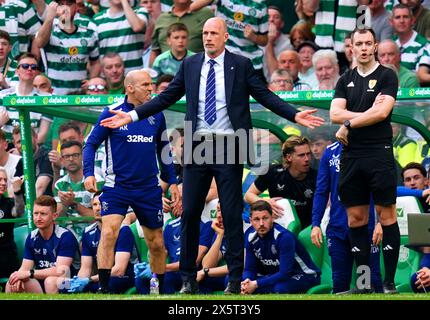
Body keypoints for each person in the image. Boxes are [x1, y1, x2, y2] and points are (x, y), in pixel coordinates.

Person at [100, 17, 324, 295]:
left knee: (230, 214)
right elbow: (166, 97)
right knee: (190, 212)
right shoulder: (191, 64)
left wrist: (294, 113)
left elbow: (265, 95)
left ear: (225, 36)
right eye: (205, 33)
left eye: (213, 33)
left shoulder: (240, 65)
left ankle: (233, 279)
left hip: (230, 145)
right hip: (197, 147)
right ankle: (187, 279)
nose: (207, 38)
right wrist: (131, 115)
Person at [83, 69, 179, 293]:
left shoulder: (156, 114)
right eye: (145, 84)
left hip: (148, 188)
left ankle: (158, 289)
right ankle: (104, 290)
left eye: (151, 84)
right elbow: (90, 144)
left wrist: (171, 181)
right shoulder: (112, 112)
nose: (150, 88)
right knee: (109, 232)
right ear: (130, 88)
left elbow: (164, 150)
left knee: (156, 242)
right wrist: (89, 173)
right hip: (117, 187)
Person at [330, 27, 400, 294]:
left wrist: (349, 122)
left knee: (386, 214)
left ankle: (389, 283)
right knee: (356, 218)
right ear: (351, 47)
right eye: (358, 43)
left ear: (375, 46)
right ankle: (362, 285)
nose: (362, 48)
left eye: (367, 43)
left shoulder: (386, 75)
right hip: (352, 154)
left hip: (378, 151)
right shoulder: (344, 78)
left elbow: (382, 114)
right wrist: (363, 114)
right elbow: (334, 114)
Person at [311, 141, 383, 294]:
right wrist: (315, 224)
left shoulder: (371, 148)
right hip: (338, 229)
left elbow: (382, 189)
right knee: (339, 280)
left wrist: (380, 222)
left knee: (370, 280)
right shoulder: (329, 152)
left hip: (367, 227)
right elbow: (321, 190)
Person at [48, 192, 139, 294]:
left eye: (101, 204)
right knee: (64, 287)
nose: (97, 208)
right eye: (95, 205)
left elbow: (119, 270)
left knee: (105, 285)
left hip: (122, 278)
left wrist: (89, 280)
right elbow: (85, 268)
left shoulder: (123, 230)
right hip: (97, 279)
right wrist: (78, 281)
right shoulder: (88, 232)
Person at [241, 200, 321, 294]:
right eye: (257, 219)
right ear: (251, 221)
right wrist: (247, 282)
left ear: (272, 218)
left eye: (265, 218)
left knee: (280, 288)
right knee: (232, 281)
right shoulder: (250, 235)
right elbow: (249, 268)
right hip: (275, 275)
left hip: (304, 275)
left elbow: (285, 273)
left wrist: (255, 284)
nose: (261, 223)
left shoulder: (284, 237)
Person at [5, 195, 80, 293]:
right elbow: (25, 267)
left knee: (50, 281)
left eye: (43, 214)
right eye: (36, 213)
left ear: (54, 216)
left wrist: (29, 273)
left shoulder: (65, 236)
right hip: (41, 280)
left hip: (69, 282)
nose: (38, 218)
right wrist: (17, 276)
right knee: (12, 283)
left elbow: (60, 271)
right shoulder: (32, 237)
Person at [244, 135, 317, 229]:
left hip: (308, 229)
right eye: (301, 155)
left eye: (308, 154)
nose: (307, 159)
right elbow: (248, 195)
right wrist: (265, 202)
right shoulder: (273, 172)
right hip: (279, 226)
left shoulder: (317, 177)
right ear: (289, 157)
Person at [33, 0, 100, 95]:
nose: (65, 8)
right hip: (54, 96)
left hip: (79, 96)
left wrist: (91, 81)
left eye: (69, 4)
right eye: (60, 4)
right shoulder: (49, 31)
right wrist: (49, 17)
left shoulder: (89, 34)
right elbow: (39, 43)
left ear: (76, 8)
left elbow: (95, 62)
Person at [54, 141, 104, 238]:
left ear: (82, 156)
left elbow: (101, 217)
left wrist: (73, 204)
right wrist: (64, 203)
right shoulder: (59, 184)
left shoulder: (97, 181)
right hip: (68, 235)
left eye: (75, 155)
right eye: (67, 156)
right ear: (62, 160)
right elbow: (57, 219)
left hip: (95, 232)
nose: (71, 159)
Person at [0, 167, 25, 278]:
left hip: (6, 254)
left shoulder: (8, 203)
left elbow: (18, 212)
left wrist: (17, 192)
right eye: (0, 179)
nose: (3, 183)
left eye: (5, 180)